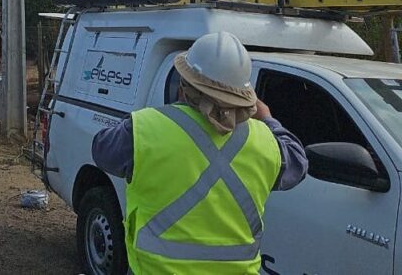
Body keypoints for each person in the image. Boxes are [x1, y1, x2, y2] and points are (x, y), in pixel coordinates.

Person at [92, 31, 307, 275]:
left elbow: (102, 151)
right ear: (244, 96)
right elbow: (298, 163)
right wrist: (267, 118)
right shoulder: (267, 143)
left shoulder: (145, 129)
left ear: (184, 85)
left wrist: (147, 120)